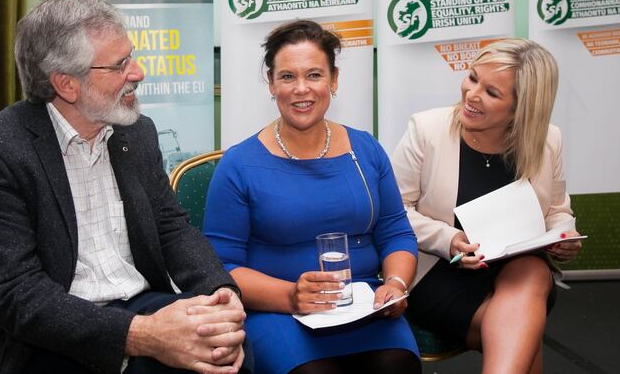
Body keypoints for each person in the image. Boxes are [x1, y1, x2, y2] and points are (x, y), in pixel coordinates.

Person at [0, 0, 251, 374]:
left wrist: (218, 291)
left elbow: (170, 228)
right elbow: (15, 293)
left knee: (226, 354)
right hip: (49, 332)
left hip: (137, 303)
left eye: (131, 56)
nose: (138, 72)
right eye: (120, 64)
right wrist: (142, 335)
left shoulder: (137, 133)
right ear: (66, 84)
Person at [203, 20, 422, 374]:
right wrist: (291, 296)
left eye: (315, 75)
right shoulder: (239, 165)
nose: (301, 89)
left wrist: (395, 284)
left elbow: (395, 231)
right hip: (278, 311)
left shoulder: (365, 149)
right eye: (287, 77)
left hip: (364, 304)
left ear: (334, 80)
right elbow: (220, 267)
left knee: (397, 365)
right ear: (272, 84)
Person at [390, 38, 583, 374]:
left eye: (492, 92)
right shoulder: (427, 129)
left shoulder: (547, 139)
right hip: (441, 271)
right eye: (473, 77)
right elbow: (393, 212)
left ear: (521, 108)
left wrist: (562, 234)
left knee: (532, 271)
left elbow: (556, 210)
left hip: (517, 272)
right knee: (520, 334)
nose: (472, 94)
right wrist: (448, 238)